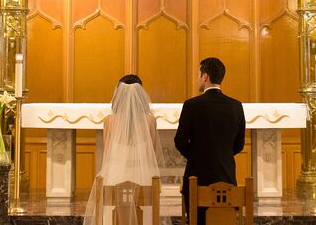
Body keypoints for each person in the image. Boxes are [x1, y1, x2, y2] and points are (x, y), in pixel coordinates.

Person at [174, 58, 246, 223]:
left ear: (205, 77)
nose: (197, 79)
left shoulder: (192, 105)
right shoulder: (236, 106)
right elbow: (239, 144)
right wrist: (222, 154)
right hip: (226, 178)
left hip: (196, 179)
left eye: (198, 75)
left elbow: (180, 141)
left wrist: (196, 156)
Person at [84, 75, 161, 225]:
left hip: (115, 180)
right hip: (143, 179)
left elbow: (107, 155)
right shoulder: (150, 120)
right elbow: (153, 153)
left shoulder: (109, 121)